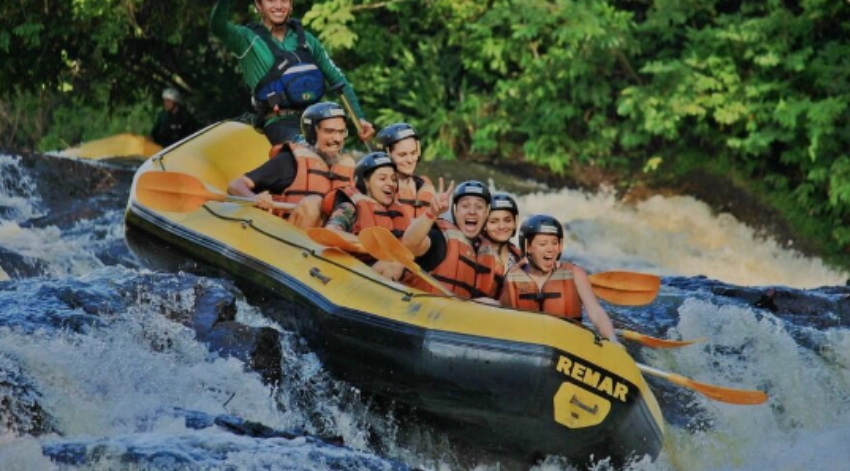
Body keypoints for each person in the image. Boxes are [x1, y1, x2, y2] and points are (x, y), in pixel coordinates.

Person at [210, 0, 375, 145]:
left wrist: (359, 118)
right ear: (259, 5)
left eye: (284, 0)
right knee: (308, 151)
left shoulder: (307, 39)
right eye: (271, 1)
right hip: (279, 122)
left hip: (316, 120)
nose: (279, 6)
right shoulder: (245, 39)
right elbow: (217, 26)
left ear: (291, 5)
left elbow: (338, 79)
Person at [227, 101, 355, 228]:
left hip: (331, 238)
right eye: (329, 131)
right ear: (311, 132)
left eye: (341, 132)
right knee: (313, 203)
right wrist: (254, 198)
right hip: (288, 235)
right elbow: (236, 185)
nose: (337, 139)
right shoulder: (290, 162)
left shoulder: (348, 170)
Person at [500, 214, 620, 344]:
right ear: (528, 247)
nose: (550, 249)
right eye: (543, 244)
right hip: (527, 345)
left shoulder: (575, 274)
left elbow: (596, 312)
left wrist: (612, 339)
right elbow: (501, 312)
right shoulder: (512, 277)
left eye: (555, 243)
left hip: (566, 344)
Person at [401, 180, 503, 300]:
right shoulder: (440, 238)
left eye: (479, 207)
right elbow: (409, 244)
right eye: (465, 206)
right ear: (455, 210)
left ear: (486, 213)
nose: (472, 211)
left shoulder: (492, 257)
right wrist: (431, 213)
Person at [322, 151, 412, 281]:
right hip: (348, 273)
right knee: (394, 263)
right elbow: (330, 232)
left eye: (393, 179)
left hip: (380, 277)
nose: (391, 184)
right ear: (366, 182)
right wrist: (370, 245)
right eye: (382, 178)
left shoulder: (398, 213)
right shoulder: (350, 206)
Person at [375, 123, 435, 219]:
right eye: (402, 155)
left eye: (413, 153)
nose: (410, 160)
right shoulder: (377, 190)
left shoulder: (423, 184)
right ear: (387, 155)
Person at [482, 192, 523, 275]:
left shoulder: (522, 260)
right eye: (494, 221)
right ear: (484, 224)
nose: (502, 226)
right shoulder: (473, 255)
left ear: (515, 222)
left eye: (507, 220)